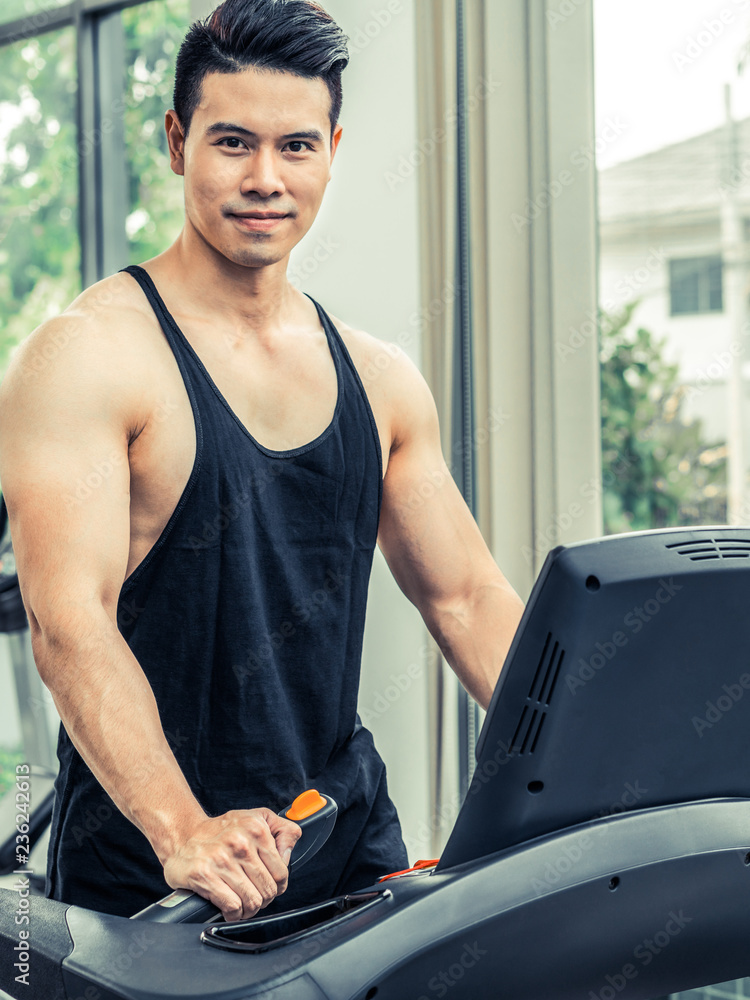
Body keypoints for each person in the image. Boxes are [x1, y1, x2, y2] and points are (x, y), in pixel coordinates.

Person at [0, 0, 525, 922]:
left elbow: (467, 598)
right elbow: (67, 622)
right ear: (176, 142)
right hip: (154, 871)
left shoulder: (381, 378)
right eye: (233, 142)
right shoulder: (86, 356)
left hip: (342, 841)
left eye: (296, 147)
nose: (264, 179)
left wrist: (597, 756)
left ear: (331, 148)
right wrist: (182, 829)